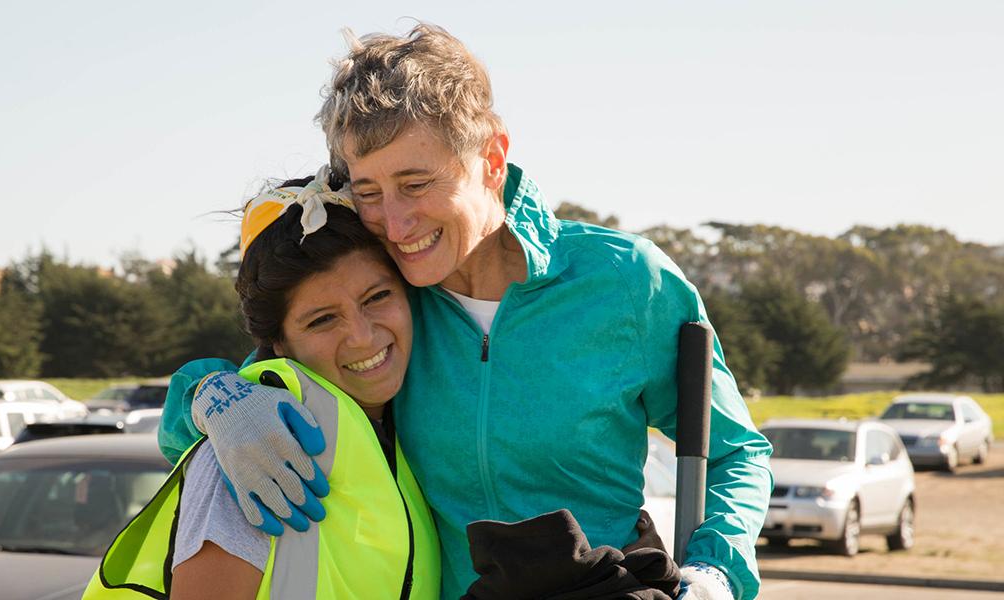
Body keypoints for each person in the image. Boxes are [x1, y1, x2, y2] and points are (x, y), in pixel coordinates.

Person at [159, 24, 772, 600]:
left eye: (416, 183)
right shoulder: (383, 298)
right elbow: (237, 389)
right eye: (368, 192)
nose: (394, 225)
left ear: (492, 159)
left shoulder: (625, 281)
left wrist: (716, 570)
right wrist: (214, 399)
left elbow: (737, 451)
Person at [84, 171, 440, 599]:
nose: (363, 336)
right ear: (279, 341)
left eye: (377, 297)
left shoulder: (403, 429)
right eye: (322, 319)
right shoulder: (247, 452)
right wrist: (211, 395)